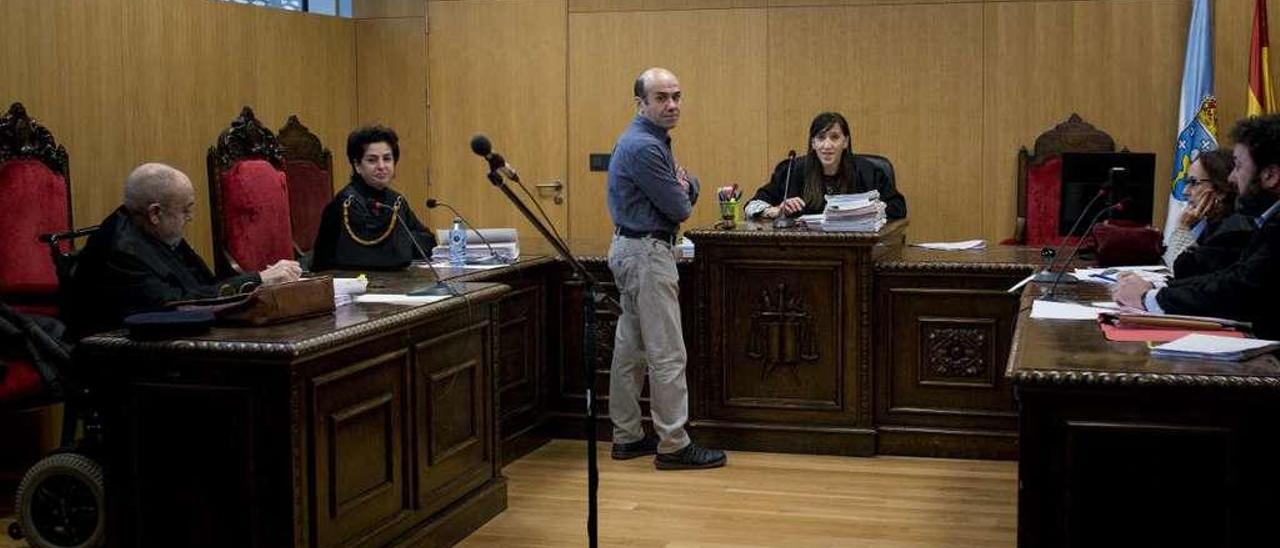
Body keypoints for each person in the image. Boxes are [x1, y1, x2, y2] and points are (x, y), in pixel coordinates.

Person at [606, 67, 725, 470]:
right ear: (640, 103)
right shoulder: (644, 146)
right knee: (667, 353)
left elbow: (675, 193)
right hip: (647, 254)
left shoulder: (647, 141)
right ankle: (673, 443)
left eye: (676, 96)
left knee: (632, 350)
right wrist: (688, 185)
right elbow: (679, 206)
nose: (672, 104)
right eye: (661, 98)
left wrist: (680, 184)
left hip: (630, 248)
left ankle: (627, 436)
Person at [72, 163, 301, 335]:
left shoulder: (157, 231)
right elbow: (178, 305)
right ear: (155, 213)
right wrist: (258, 280)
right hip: (123, 358)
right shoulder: (121, 251)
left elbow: (204, 286)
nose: (190, 217)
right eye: (185, 210)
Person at [1113, 115, 1280, 339]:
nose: (1232, 177)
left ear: (1270, 175)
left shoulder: (1253, 227)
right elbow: (1228, 275)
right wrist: (1156, 292)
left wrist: (1150, 299)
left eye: (1239, 166)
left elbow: (1238, 287)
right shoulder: (1266, 221)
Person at [311, 126, 436, 271]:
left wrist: (401, 244)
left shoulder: (396, 201)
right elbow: (366, 255)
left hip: (398, 284)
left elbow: (428, 241)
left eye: (387, 159)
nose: (382, 166)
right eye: (372, 160)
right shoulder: (345, 203)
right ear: (357, 165)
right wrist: (400, 245)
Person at [744, 112, 906, 220]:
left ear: (845, 142)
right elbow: (751, 205)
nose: (827, 145)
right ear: (813, 143)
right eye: (821, 138)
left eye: (834, 137)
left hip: (856, 251)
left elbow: (898, 207)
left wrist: (870, 209)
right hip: (806, 253)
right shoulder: (792, 171)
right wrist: (774, 210)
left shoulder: (868, 172)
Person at [1162, 148, 1255, 279]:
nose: (1185, 191)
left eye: (1193, 183)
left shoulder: (1232, 231)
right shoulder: (1210, 222)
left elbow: (1185, 274)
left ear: (1220, 190)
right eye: (1186, 182)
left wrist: (1183, 228)